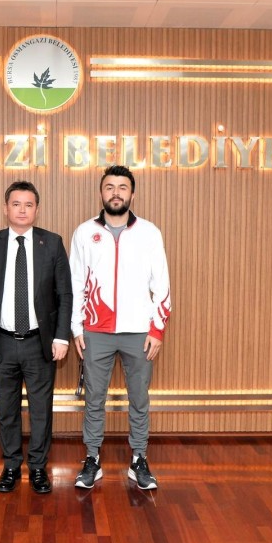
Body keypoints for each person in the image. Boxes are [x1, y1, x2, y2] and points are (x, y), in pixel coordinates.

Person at [69, 165, 171, 491]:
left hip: (139, 332)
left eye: (122, 187)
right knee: (94, 398)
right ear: (101, 193)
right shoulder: (84, 232)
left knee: (139, 398)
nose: (116, 193)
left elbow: (162, 284)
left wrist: (157, 329)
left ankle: (139, 458)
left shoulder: (149, 233)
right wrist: (76, 327)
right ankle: (92, 458)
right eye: (110, 187)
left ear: (132, 194)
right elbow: (75, 283)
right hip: (95, 330)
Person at [0, 181, 73, 494]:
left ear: (36, 210)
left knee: (41, 410)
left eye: (28, 205)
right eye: (16, 204)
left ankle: (39, 468)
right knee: (7, 409)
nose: (22, 210)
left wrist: (61, 337)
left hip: (39, 343)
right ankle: (11, 466)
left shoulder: (52, 243)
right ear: (5, 208)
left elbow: (65, 294)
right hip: (1, 342)